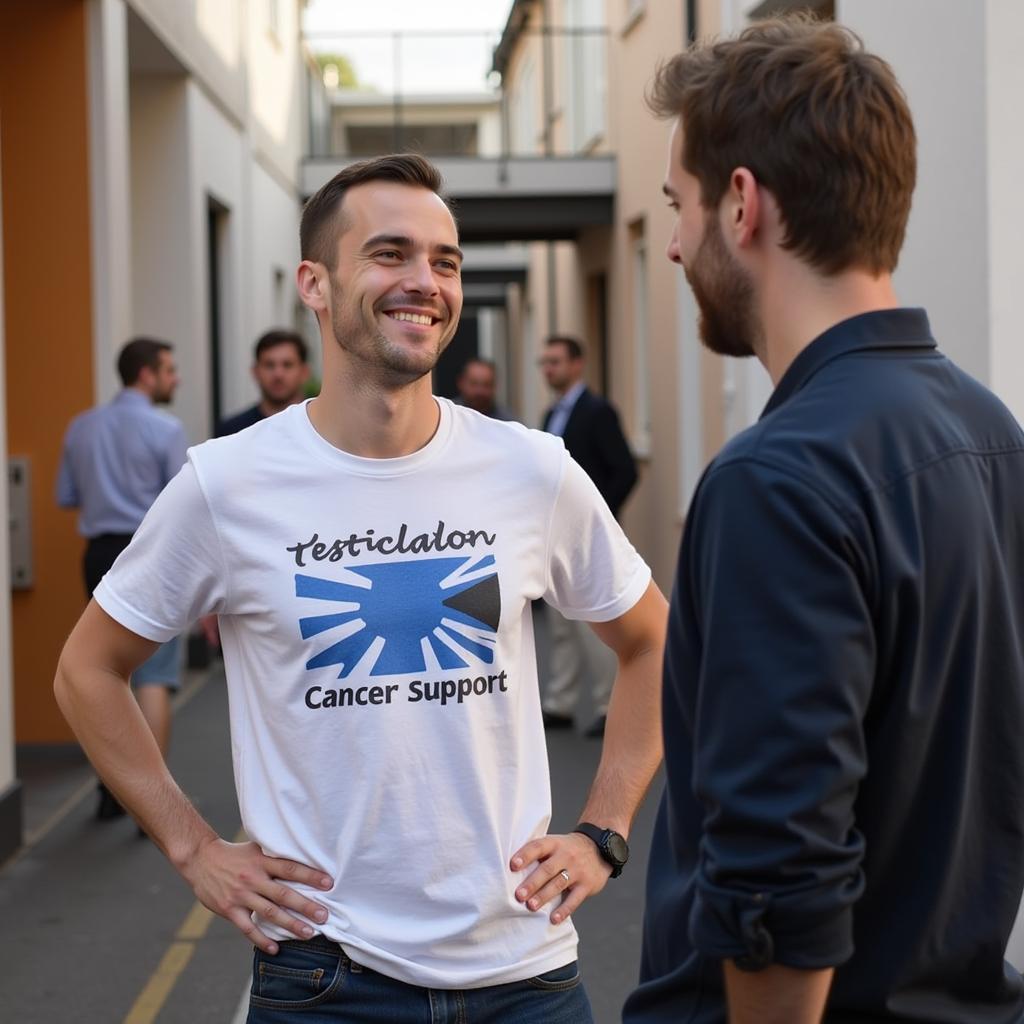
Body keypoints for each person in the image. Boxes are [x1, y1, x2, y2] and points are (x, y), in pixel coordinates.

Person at [54, 153, 668, 1022]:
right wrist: (194, 850)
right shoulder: (225, 486)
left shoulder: (531, 469)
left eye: (445, 261)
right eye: (390, 254)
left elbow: (653, 640)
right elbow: (86, 671)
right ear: (315, 282)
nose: (425, 282)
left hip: (525, 972)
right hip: (324, 979)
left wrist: (604, 833)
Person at [625, 16, 1024, 1024]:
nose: (672, 243)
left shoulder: (778, 479)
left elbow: (780, 882)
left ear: (744, 204)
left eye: (679, 206)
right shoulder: (988, 431)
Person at [56, 337, 187, 820]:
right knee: (154, 672)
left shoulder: (81, 427)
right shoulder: (165, 428)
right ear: (147, 374)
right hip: (149, 551)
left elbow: (66, 495)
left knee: (103, 666)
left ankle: (111, 790)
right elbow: (181, 503)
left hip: (98, 552)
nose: (176, 379)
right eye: (170, 370)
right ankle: (150, 804)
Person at [540, 335, 638, 738]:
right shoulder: (551, 415)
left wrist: (600, 519)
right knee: (561, 624)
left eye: (556, 362)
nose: (549, 369)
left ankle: (607, 705)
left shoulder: (598, 412)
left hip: (588, 538)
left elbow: (625, 470)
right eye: (544, 363)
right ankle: (560, 702)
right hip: (553, 535)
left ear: (578, 364)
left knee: (593, 624)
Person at [215, 328, 311, 437]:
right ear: (255, 371)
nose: (278, 374)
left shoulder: (321, 429)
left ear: (304, 372)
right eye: (269, 365)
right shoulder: (232, 432)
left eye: (287, 365)